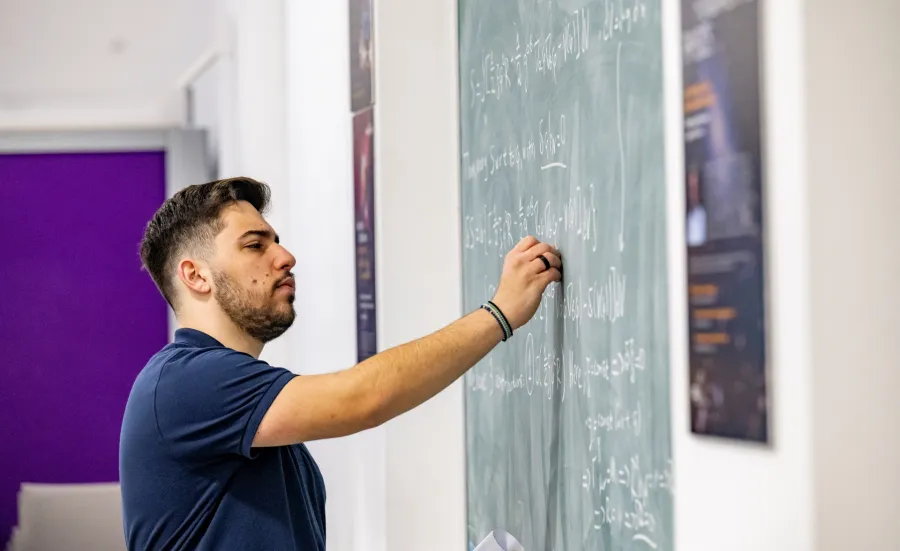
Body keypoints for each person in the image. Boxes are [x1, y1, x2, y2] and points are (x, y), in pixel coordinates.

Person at [118, 177, 562, 551]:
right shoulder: (184, 381)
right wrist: (499, 313)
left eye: (276, 240)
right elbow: (362, 398)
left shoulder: (236, 403)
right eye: (255, 245)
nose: (284, 257)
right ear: (196, 275)